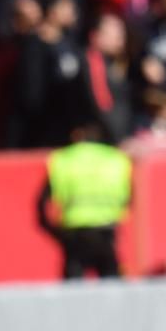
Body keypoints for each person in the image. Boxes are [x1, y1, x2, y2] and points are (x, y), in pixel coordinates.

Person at [37, 120, 131, 280]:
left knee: (73, 292)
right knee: (113, 291)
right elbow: (129, 198)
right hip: (106, 232)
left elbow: (41, 204)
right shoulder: (116, 159)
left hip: (74, 234)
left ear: (76, 135)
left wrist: (54, 232)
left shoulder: (63, 159)